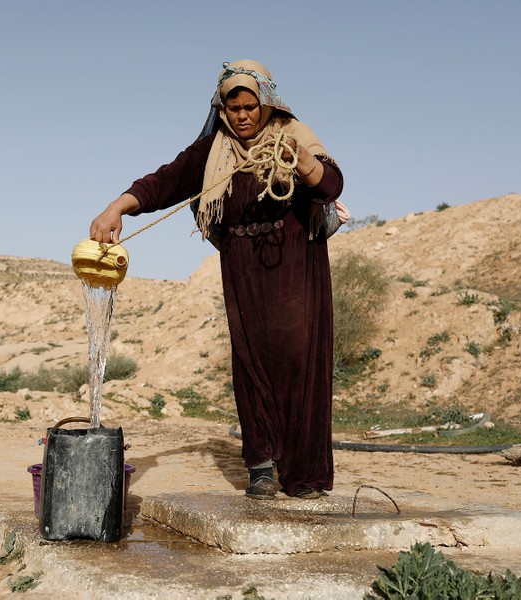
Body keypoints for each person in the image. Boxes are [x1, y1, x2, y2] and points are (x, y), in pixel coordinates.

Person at [89, 60, 343, 499]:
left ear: (267, 104)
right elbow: (164, 182)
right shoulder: (213, 149)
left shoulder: (293, 135)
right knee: (250, 362)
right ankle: (261, 465)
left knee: (299, 361)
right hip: (241, 265)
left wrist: (301, 161)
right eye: (233, 108)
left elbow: (331, 186)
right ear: (222, 109)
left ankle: (304, 473)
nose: (242, 116)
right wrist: (116, 207)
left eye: (250, 107)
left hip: (296, 263)